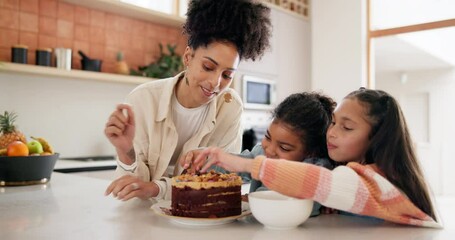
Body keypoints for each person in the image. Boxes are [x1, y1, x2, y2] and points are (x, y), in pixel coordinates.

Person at [192, 88, 441, 228]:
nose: (331, 133)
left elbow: (318, 182)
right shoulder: (348, 169)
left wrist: (244, 165)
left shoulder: (375, 183)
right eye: (333, 123)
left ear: (376, 138)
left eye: (347, 127)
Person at [104, 0, 272, 202]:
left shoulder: (229, 107)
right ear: (188, 57)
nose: (215, 83)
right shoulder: (143, 99)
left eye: (227, 75)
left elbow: (217, 183)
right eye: (208, 67)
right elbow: (133, 191)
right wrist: (125, 151)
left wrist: (157, 188)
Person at [182, 92, 336, 216]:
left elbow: (284, 199)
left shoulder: (319, 168)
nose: (269, 150)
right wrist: (205, 158)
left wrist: (246, 199)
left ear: (311, 152)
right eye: (268, 137)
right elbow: (236, 164)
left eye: (284, 148)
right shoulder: (261, 152)